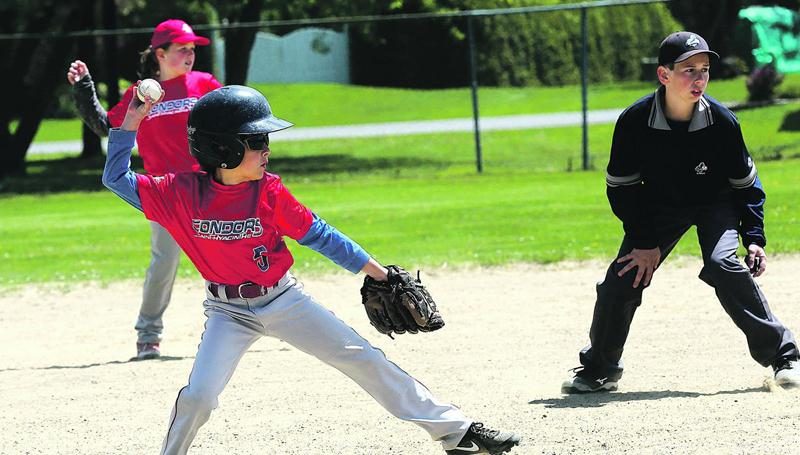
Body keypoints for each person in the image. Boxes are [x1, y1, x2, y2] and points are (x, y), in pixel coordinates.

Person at [101, 84, 522, 454]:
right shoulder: (178, 194)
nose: (267, 148)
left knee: (363, 359)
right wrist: (131, 122)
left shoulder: (270, 192)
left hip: (282, 300)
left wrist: (377, 272)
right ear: (223, 150)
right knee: (200, 397)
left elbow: (320, 235)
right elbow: (116, 177)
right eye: (256, 140)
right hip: (227, 312)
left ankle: (457, 433)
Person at [561, 31, 800, 394]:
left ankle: (784, 356)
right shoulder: (634, 122)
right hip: (657, 208)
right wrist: (643, 242)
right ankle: (600, 368)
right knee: (623, 279)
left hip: (715, 204)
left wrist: (754, 238)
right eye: (689, 69)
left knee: (724, 264)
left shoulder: (722, 122)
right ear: (664, 75)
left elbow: (746, 186)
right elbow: (621, 188)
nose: (699, 78)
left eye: (704, 69)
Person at [67, 19, 222, 360]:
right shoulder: (140, 93)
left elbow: (228, 119)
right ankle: (148, 335)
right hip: (164, 192)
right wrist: (84, 90)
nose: (189, 55)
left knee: (226, 253)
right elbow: (108, 127)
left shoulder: (204, 84)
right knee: (164, 263)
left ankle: (249, 320)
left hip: (207, 186)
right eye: (182, 49)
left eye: (192, 49)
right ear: (160, 54)